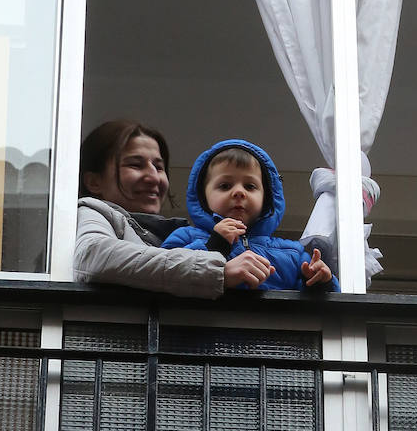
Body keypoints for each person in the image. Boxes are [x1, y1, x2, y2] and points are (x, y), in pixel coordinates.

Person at [74, 118, 276, 297]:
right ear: (94, 182)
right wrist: (217, 271)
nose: (153, 177)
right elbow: (93, 254)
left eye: (159, 167)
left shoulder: (184, 234)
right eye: (135, 165)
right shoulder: (92, 211)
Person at [162, 139, 336, 291]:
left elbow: (329, 310)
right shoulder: (185, 236)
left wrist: (320, 281)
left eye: (250, 186)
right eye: (225, 186)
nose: (238, 192)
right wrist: (214, 245)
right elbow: (161, 274)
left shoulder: (292, 253)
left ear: (267, 198)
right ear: (203, 196)